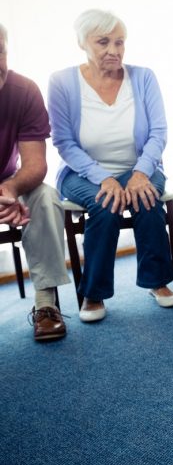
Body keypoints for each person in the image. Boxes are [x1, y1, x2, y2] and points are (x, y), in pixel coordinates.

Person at [49, 9, 173, 323]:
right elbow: (64, 142)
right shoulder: (63, 82)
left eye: (120, 42)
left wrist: (139, 172)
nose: (114, 50)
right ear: (82, 43)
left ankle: (157, 282)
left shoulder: (143, 76)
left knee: (145, 197)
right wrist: (103, 178)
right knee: (104, 203)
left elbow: (158, 133)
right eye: (103, 42)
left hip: (140, 166)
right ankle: (93, 293)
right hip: (82, 172)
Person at [0, 23, 70, 341]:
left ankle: (46, 305)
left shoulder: (24, 90)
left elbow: (35, 164)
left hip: (6, 184)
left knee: (44, 196)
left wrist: (11, 190)